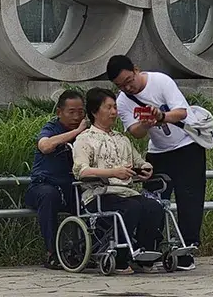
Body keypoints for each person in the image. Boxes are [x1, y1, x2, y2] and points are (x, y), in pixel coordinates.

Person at [106, 55, 203, 270]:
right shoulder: (123, 101)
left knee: (190, 198)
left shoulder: (160, 81)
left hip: (187, 145)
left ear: (136, 69)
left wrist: (161, 116)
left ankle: (187, 249)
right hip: (158, 151)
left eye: (129, 81)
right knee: (153, 200)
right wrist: (146, 124)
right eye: (121, 85)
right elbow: (135, 132)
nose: (127, 87)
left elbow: (181, 112)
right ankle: (150, 248)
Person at [71, 87, 165, 272]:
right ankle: (120, 258)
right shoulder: (84, 139)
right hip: (99, 194)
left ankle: (144, 254)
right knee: (131, 208)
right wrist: (113, 172)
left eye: (115, 107)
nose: (114, 112)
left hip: (126, 192)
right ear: (95, 111)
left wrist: (145, 169)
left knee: (154, 207)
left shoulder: (122, 140)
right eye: (108, 107)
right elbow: (81, 171)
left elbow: (139, 162)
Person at [24, 88, 85, 268]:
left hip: (71, 187)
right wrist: (76, 132)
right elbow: (45, 146)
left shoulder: (87, 133)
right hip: (42, 186)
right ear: (59, 112)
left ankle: (86, 250)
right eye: (71, 112)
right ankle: (52, 252)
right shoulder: (51, 128)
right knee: (49, 196)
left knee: (89, 199)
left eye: (80, 112)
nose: (76, 117)